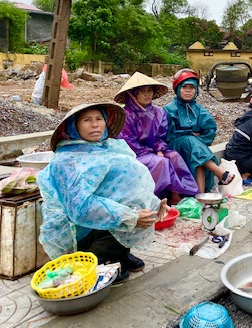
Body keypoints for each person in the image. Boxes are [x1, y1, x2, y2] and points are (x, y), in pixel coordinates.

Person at [37, 102, 169, 283]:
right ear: (74, 126)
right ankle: (98, 258)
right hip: (78, 226)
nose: (95, 124)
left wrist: (153, 204)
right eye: (87, 120)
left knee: (130, 205)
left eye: (99, 119)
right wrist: (129, 216)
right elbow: (81, 208)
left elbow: (129, 186)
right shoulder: (66, 160)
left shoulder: (110, 147)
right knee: (122, 214)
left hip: (103, 214)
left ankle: (120, 253)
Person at [115, 72, 199, 206]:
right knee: (160, 162)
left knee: (174, 156)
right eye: (142, 91)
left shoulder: (158, 112)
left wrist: (160, 149)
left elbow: (160, 136)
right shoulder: (126, 115)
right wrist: (152, 152)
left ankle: (178, 196)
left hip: (152, 150)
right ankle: (149, 201)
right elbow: (128, 142)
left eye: (150, 90)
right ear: (132, 94)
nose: (147, 94)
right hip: (134, 154)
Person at [164, 68, 234, 193]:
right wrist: (191, 135)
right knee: (192, 143)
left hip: (195, 148)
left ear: (196, 90)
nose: (188, 91)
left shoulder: (199, 109)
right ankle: (219, 172)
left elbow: (210, 130)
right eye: (185, 87)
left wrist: (195, 138)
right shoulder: (169, 109)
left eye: (192, 88)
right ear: (178, 89)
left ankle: (200, 195)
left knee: (196, 153)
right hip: (175, 146)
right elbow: (169, 134)